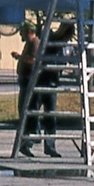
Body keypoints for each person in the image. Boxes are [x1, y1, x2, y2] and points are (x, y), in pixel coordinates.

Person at [16, 22, 59, 156]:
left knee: (35, 113)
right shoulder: (30, 44)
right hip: (32, 82)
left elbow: (35, 61)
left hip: (38, 82)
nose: (20, 34)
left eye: (22, 32)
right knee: (30, 113)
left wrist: (20, 58)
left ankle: (35, 138)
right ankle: (29, 141)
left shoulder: (35, 44)